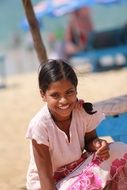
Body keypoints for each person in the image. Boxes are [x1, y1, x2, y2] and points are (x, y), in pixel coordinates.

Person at [26, 59, 127, 190]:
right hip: (49, 185)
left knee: (120, 149)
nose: (64, 100)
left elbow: (90, 142)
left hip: (75, 170)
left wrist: (98, 145)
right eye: (55, 95)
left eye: (69, 92)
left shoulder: (82, 111)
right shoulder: (39, 126)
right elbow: (45, 177)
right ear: (43, 95)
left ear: (76, 90)